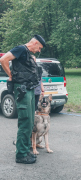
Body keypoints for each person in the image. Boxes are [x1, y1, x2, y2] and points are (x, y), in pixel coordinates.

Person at [0, 35, 46, 163]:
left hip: (30, 89)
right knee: (25, 122)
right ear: (35, 43)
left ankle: (26, 150)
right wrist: (11, 76)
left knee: (30, 122)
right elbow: (3, 59)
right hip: (23, 90)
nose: (39, 50)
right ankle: (21, 155)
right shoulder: (20, 49)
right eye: (39, 47)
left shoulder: (27, 53)